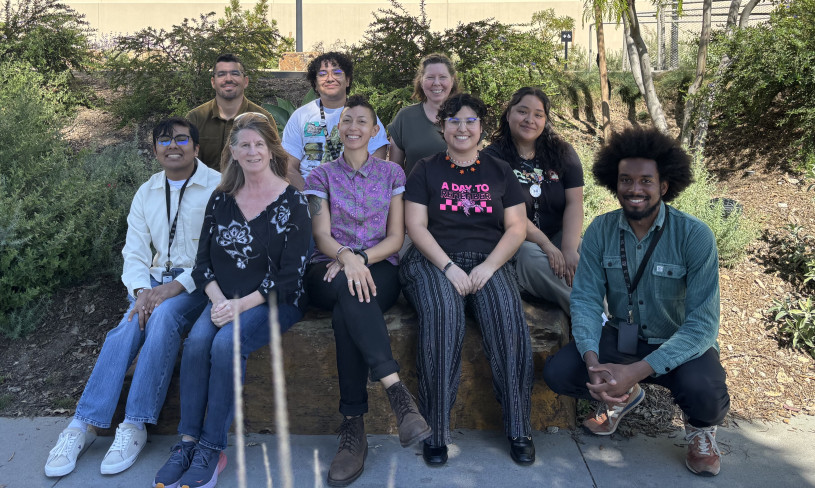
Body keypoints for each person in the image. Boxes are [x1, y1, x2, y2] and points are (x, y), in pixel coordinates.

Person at [543, 128, 730, 477]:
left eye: (646, 180)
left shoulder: (695, 235)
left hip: (680, 345)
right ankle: (623, 398)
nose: (634, 189)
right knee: (559, 372)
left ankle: (701, 431)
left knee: (705, 391)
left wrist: (634, 372)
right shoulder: (600, 230)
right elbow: (584, 299)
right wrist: (594, 360)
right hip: (622, 337)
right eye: (625, 180)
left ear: (664, 185)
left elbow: (703, 325)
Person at [44, 118, 221, 478]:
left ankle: (134, 425)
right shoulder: (147, 191)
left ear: (196, 148)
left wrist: (170, 290)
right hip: (152, 285)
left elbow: (217, 255)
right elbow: (135, 253)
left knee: (163, 319)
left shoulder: (217, 187)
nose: (173, 146)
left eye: (182, 139)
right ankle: (82, 425)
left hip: (197, 286)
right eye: (164, 141)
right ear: (155, 150)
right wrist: (141, 292)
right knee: (128, 325)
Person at [153, 113, 311, 488]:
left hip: (274, 300)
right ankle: (187, 442)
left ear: (272, 149)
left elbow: (291, 276)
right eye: (244, 145)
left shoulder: (294, 202)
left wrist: (239, 306)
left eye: (259, 144)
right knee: (196, 344)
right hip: (223, 296)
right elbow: (202, 261)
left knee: (226, 344)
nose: (252, 150)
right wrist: (218, 299)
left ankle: (212, 448)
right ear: (234, 152)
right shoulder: (221, 198)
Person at [399, 93, 535, 467]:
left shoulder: (499, 170)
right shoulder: (426, 169)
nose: (462, 128)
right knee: (444, 314)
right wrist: (448, 268)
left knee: (508, 317)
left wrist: (489, 267)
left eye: (470, 121)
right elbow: (416, 226)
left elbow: (516, 228)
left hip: (488, 261)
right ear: (442, 126)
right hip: (432, 261)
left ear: (482, 128)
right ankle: (436, 431)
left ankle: (519, 427)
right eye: (454, 120)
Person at [304, 95, 431, 486]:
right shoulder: (319, 176)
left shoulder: (393, 175)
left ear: (375, 131)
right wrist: (347, 258)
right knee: (347, 286)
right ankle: (396, 393)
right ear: (338, 129)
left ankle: (353, 428)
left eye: (362, 121)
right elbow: (321, 235)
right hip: (326, 269)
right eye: (347, 121)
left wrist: (361, 259)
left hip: (380, 267)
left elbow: (396, 238)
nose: (354, 127)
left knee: (350, 304)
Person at [482, 87, 584, 315]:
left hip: (558, 236)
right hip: (516, 242)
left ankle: (614, 317)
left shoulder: (563, 153)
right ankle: (591, 316)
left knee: (583, 249)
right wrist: (546, 245)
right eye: (522, 112)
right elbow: (510, 213)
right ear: (508, 114)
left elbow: (575, 204)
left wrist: (568, 248)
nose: (530, 120)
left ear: (545, 120)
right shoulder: (492, 158)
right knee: (530, 255)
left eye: (538, 115)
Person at [282, 51, 389, 190]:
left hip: (356, 195)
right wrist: (311, 199)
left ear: (348, 80)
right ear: (315, 83)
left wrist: (351, 198)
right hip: (310, 194)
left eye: (337, 73)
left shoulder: (365, 115)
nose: (330, 78)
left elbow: (377, 161)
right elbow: (288, 166)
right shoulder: (301, 116)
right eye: (322, 74)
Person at [187, 53, 275, 169]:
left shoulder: (262, 118)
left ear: (246, 81)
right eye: (222, 74)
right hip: (205, 186)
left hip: (250, 186)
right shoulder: (196, 118)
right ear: (213, 82)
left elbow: (274, 162)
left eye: (235, 73)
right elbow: (186, 163)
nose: (228, 79)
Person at [387, 53, 459, 177]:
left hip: (458, 195)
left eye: (442, 77)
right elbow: (395, 173)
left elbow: (477, 168)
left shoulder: (469, 118)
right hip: (413, 195)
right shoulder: (405, 117)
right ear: (421, 81)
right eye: (430, 77)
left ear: (452, 80)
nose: (436, 83)